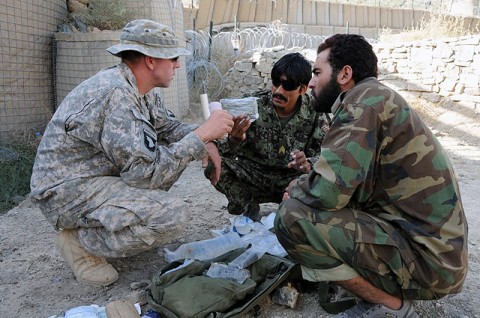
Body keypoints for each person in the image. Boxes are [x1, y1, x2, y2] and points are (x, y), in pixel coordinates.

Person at [274, 34, 468, 317]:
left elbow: (329, 192)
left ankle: (389, 306)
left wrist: (299, 188)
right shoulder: (374, 97)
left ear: (345, 74)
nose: (312, 82)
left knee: (291, 217)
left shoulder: (361, 102)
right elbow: (351, 175)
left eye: (317, 73)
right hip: (439, 258)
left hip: (430, 264)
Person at [29, 19, 234, 287]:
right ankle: (80, 243)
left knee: (167, 173)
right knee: (170, 215)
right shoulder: (116, 97)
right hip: (65, 190)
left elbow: (167, 126)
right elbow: (145, 174)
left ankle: (104, 224)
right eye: (172, 58)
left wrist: (205, 138)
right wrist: (202, 135)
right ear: (150, 60)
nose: (177, 65)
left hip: (89, 176)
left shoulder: (136, 87)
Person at [205, 52, 330, 221]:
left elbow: (328, 155)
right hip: (254, 175)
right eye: (276, 83)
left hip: (292, 179)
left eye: (287, 86)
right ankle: (247, 207)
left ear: (303, 89)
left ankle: (294, 212)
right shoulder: (250, 103)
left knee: (321, 176)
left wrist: (308, 164)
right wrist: (234, 140)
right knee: (212, 161)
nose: (278, 91)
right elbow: (220, 145)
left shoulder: (316, 113)